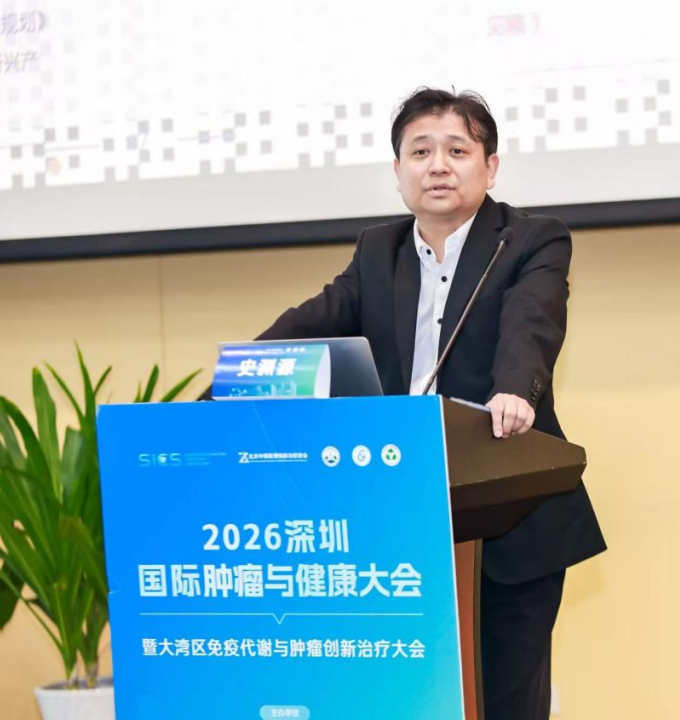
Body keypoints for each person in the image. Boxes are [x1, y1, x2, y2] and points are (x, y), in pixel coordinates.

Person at [256, 87, 606, 719]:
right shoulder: (378, 250)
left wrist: (513, 390)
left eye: (456, 150)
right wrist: (232, 382)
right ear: (398, 171)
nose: (437, 165)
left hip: (509, 516)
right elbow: (313, 321)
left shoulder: (531, 240)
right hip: (401, 517)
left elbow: (531, 323)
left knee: (507, 702)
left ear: (490, 167)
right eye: (420, 152)